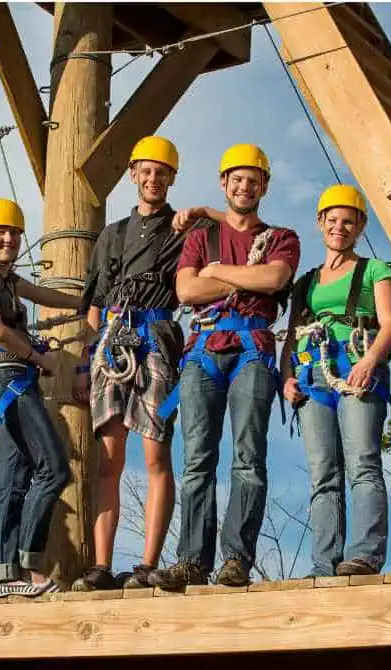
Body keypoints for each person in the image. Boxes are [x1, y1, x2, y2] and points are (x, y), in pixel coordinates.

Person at [149, 144, 300, 589]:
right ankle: (191, 560)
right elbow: (186, 292)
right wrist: (233, 275)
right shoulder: (200, 237)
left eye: (253, 180)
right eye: (237, 179)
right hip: (204, 352)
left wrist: (218, 272)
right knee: (197, 459)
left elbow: (274, 279)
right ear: (224, 184)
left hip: (252, 348)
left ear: (264, 187)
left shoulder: (280, 238)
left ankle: (236, 559)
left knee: (248, 458)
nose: (244, 186)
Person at [70, 136, 185, 591]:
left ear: (171, 178)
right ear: (134, 175)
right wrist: (86, 362)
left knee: (156, 451)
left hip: (156, 339)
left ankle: (148, 563)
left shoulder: (184, 230)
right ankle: (101, 565)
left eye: (162, 172)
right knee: (109, 459)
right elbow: (94, 305)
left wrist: (197, 214)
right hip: (111, 345)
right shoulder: (111, 234)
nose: (153, 179)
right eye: (147, 171)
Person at [0, 198, 78, 597]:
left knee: (14, 479)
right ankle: (29, 565)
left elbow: (44, 294)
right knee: (54, 469)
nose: (9, 239)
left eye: (13, 233)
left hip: (6, 380)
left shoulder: (7, 279)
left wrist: (86, 301)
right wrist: (39, 357)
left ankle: (2, 572)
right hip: (5, 376)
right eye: (0, 233)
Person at [281, 185, 391, 578]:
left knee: (362, 463)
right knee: (323, 473)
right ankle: (323, 562)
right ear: (320, 223)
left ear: (361, 226)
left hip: (355, 367)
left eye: (348, 221)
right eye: (332, 220)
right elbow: (294, 331)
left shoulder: (374, 270)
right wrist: (287, 377)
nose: (339, 228)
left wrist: (369, 360)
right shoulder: (307, 282)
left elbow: (390, 323)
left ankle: (364, 554)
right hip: (313, 373)